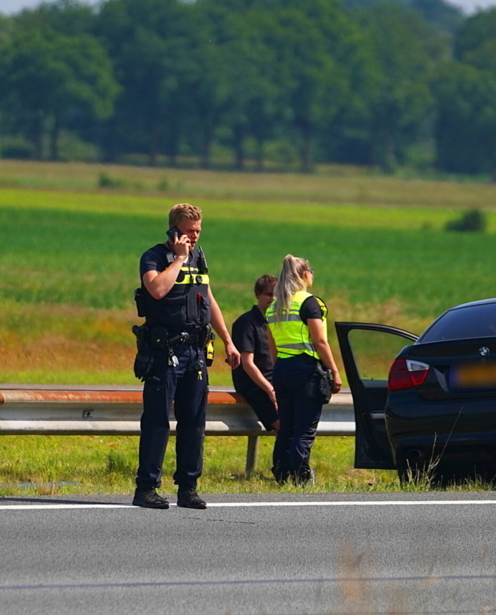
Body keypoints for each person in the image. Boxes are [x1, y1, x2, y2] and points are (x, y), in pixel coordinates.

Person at [132, 203, 239, 510]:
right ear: (174, 229)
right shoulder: (154, 257)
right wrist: (179, 258)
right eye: (190, 231)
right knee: (157, 421)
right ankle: (147, 488)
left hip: (195, 352)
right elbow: (156, 290)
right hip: (165, 350)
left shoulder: (199, 257)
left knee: (194, 422)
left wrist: (228, 341)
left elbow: (210, 301)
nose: (195, 236)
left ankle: (188, 488)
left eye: (198, 231)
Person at [265, 255, 342, 484]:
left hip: (282, 369)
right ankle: (301, 476)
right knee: (304, 429)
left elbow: (272, 349)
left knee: (286, 427)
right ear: (305, 274)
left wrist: (280, 368)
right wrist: (335, 371)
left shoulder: (274, 306)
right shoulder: (310, 303)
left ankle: (281, 473)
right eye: (311, 271)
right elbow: (320, 341)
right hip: (306, 369)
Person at [231, 274, 284, 475]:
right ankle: (282, 470)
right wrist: (270, 389)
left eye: (277, 295)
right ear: (257, 295)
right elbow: (247, 364)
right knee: (283, 425)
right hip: (253, 383)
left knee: (298, 423)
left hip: (275, 380)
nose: (273, 299)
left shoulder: (279, 321)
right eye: (268, 295)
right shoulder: (247, 323)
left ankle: (293, 468)